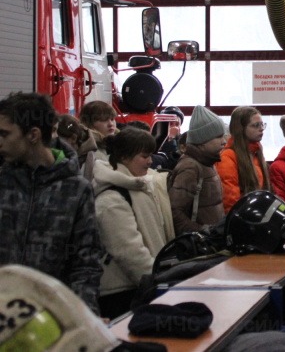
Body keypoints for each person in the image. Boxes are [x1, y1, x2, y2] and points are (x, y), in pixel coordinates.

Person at [0, 92, 103, 314]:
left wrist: (84, 317)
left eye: (4, 134)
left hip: (53, 320)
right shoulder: (3, 182)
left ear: (33, 135)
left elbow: (85, 262)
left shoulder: (75, 190)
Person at [93, 127, 174, 319]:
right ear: (124, 157)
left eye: (150, 155)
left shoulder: (137, 187)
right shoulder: (111, 199)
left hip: (142, 285)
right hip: (122, 294)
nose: (150, 161)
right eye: (144, 156)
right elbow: (129, 251)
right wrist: (155, 282)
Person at [168, 105, 226, 234]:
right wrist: (201, 232)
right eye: (218, 137)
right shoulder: (191, 167)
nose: (224, 142)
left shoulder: (207, 162)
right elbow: (175, 210)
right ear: (202, 140)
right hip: (199, 245)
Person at [216, 106, 271, 212]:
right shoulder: (227, 157)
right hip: (241, 219)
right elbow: (230, 201)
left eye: (262, 124)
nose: (261, 129)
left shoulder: (256, 152)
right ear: (240, 129)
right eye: (255, 125)